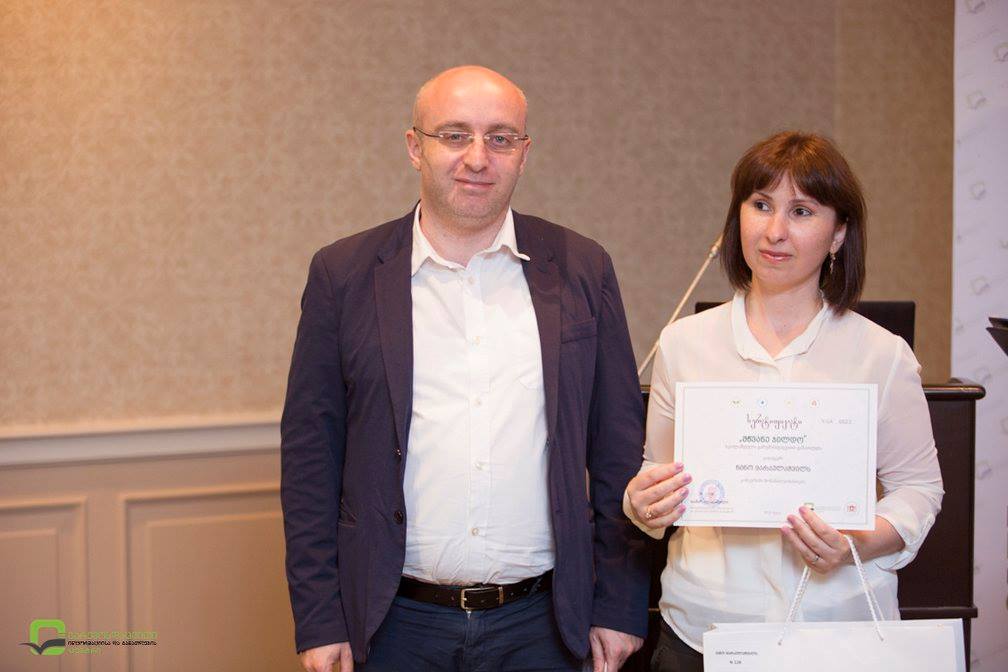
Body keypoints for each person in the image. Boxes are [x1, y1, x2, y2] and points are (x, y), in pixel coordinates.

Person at [281, 65, 649, 672]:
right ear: (414, 147)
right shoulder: (343, 275)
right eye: (454, 135)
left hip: (546, 627)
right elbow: (310, 459)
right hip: (391, 626)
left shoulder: (582, 267)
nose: (478, 158)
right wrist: (319, 619)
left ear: (524, 153)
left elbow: (618, 451)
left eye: (500, 138)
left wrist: (619, 605)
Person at [624, 131, 943, 671]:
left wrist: (858, 543)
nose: (775, 231)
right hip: (704, 630)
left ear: (838, 233)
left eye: (801, 211)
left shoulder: (881, 354)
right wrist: (642, 503)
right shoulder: (684, 344)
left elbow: (919, 488)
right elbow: (658, 474)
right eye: (761, 205)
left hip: (837, 631)